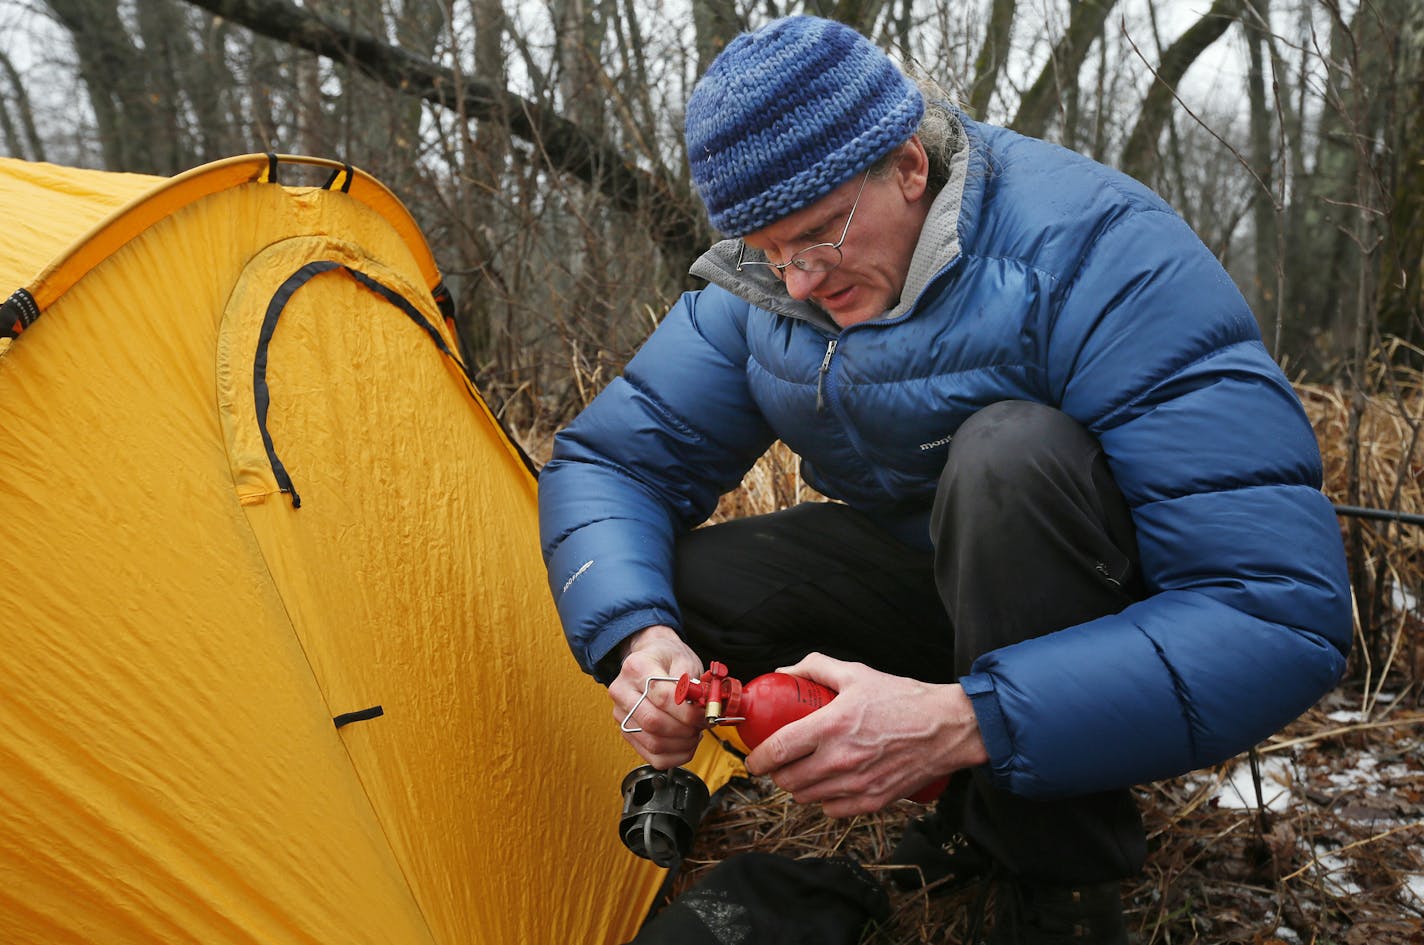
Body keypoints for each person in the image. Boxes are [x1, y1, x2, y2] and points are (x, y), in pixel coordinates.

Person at [538, 15, 1352, 944]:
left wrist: (964, 717)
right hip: (936, 584)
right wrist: (642, 639)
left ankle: (1063, 880)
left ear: (909, 168)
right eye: (768, 251)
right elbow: (614, 460)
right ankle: (978, 807)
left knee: (1008, 458)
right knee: (683, 587)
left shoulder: (1096, 253)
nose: (797, 284)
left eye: (816, 237)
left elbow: (1277, 609)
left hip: (1106, 604)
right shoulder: (766, 289)